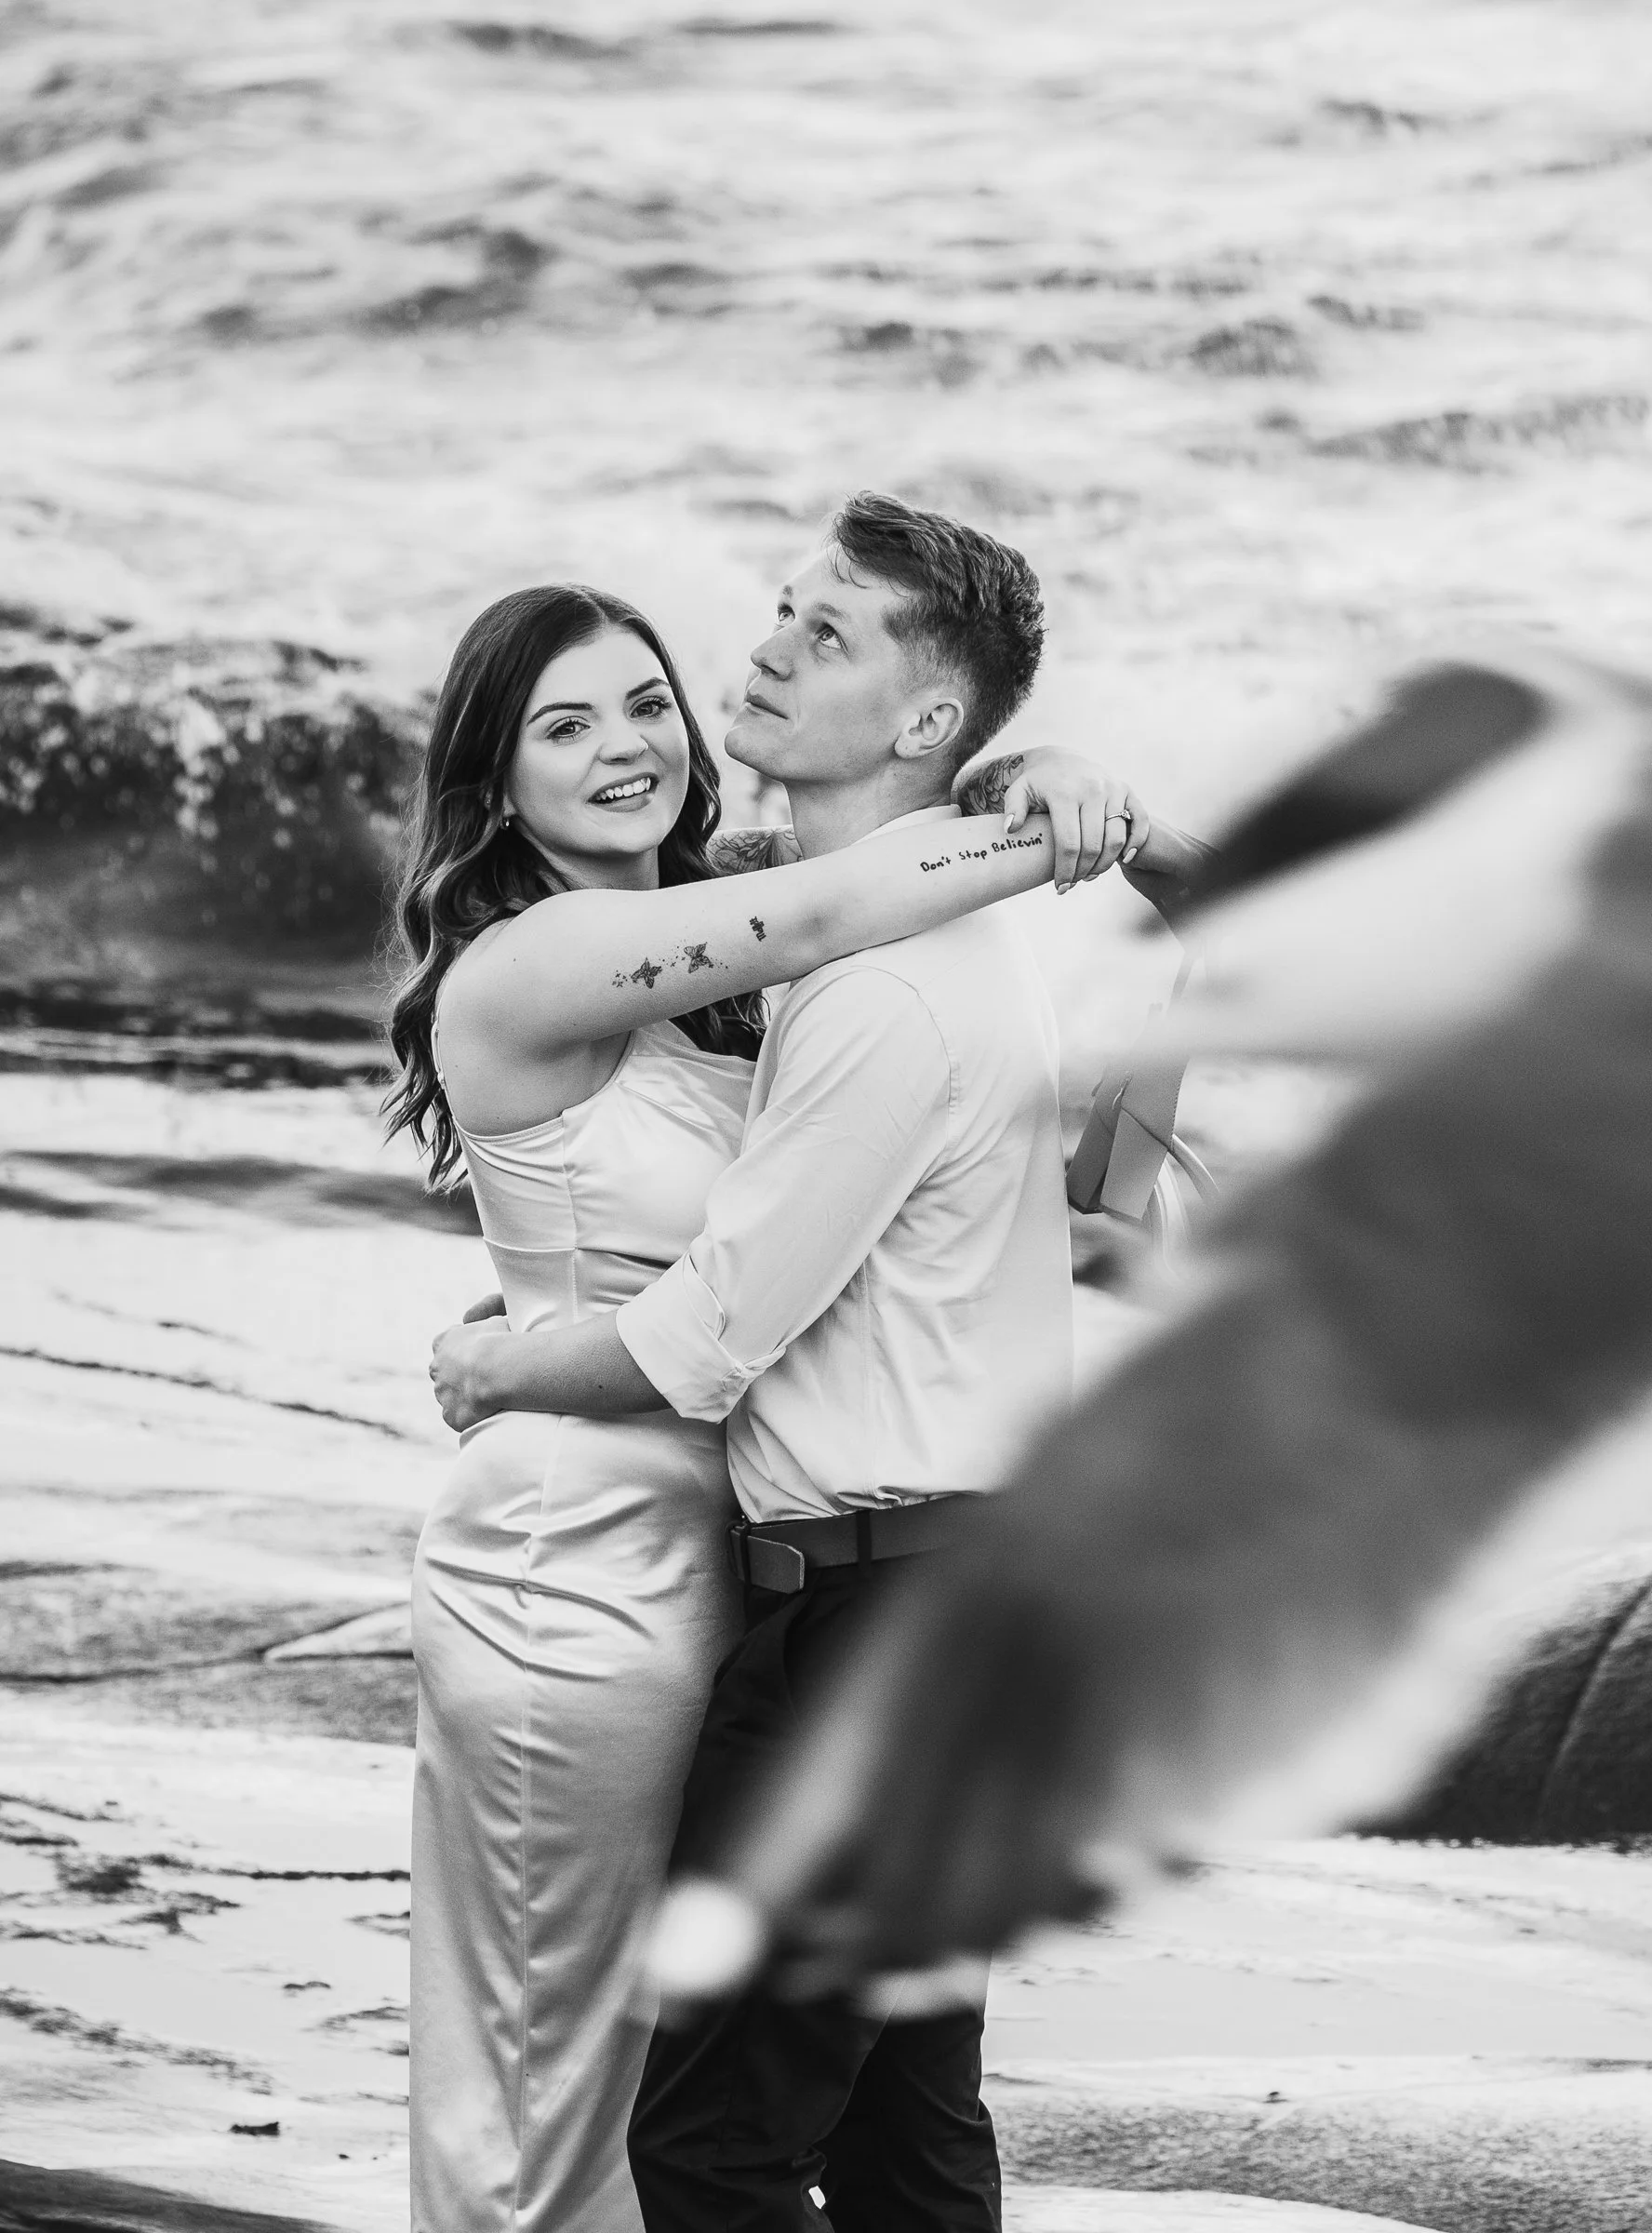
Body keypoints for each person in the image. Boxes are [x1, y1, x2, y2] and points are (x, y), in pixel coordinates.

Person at [431, 494, 1207, 2233]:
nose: (752, 658)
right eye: (566, 723)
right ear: (495, 780)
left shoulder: (852, 971)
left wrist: (501, 1365)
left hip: (855, 1593)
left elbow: (710, 1333)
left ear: (925, 719)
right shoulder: (748, 941)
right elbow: (846, 927)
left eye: (823, 631)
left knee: (737, 2138)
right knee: (862, 2126)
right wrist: (1079, 818)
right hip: (698, 1575)